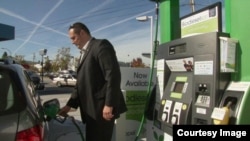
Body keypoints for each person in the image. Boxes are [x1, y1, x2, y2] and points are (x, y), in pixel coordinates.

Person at [58, 22, 127, 141]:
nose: (72, 42)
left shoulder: (101, 45)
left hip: (102, 111)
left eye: (73, 38)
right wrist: (70, 105)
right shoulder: (84, 53)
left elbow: (113, 76)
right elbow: (80, 84)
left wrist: (109, 104)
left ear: (82, 33)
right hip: (91, 111)